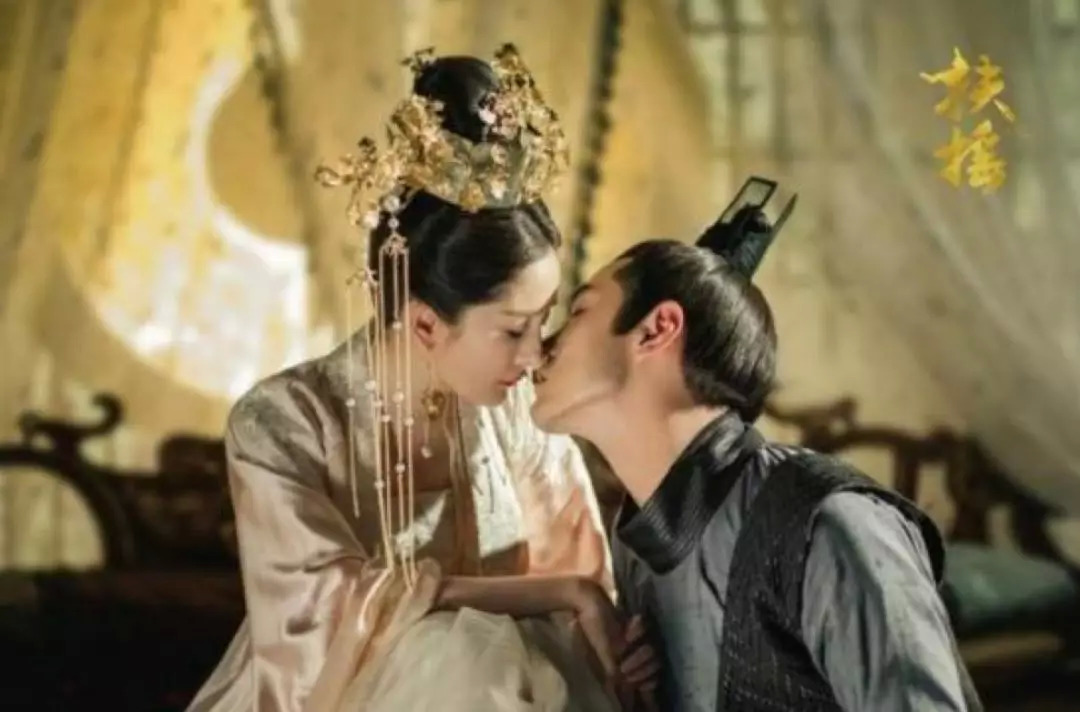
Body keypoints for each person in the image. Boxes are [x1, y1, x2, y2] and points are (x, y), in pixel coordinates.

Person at [188, 46, 655, 712]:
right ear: (427, 324)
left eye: (545, 321)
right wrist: (562, 594)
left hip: (526, 691)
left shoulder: (516, 411)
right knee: (458, 658)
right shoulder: (283, 424)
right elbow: (329, 618)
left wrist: (614, 638)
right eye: (513, 330)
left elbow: (583, 578)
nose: (536, 354)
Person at [530, 190, 982, 711]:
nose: (542, 348)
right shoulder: (636, 546)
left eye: (579, 311)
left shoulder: (825, 525)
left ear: (656, 329)